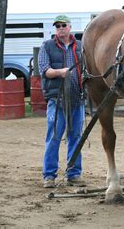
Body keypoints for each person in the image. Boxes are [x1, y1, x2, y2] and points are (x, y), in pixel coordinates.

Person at [38, 15, 86, 188]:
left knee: (76, 137)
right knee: (54, 138)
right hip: (56, 100)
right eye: (57, 26)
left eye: (63, 25)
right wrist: (61, 72)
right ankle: (49, 175)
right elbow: (44, 70)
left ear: (69, 27)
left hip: (77, 100)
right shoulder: (47, 46)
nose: (60, 28)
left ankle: (73, 174)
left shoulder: (80, 46)